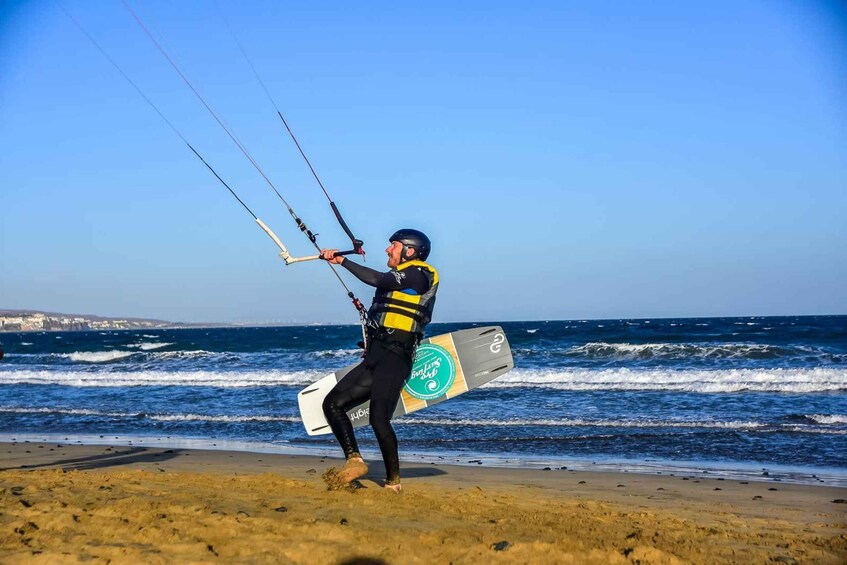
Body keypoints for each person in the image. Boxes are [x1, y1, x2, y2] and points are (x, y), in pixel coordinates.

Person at [319, 229, 438, 493]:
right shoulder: (402, 277)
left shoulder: (419, 274)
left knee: (378, 418)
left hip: (397, 358)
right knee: (332, 404)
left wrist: (342, 261)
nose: (387, 250)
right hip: (377, 355)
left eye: (393, 246)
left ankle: (393, 483)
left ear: (409, 251)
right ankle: (355, 461)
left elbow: (378, 279)